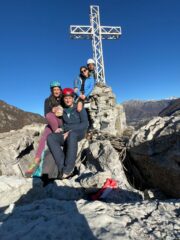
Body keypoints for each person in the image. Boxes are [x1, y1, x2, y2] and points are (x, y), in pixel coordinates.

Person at [25, 81, 66, 177]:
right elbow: (46, 114)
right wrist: (54, 110)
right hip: (52, 124)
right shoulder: (48, 100)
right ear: (52, 91)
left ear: (60, 89)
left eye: (58, 89)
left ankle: (56, 130)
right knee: (43, 138)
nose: (56, 91)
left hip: (61, 123)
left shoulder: (64, 98)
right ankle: (35, 162)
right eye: (54, 89)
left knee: (51, 117)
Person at [47, 88, 89, 179]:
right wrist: (61, 129)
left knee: (72, 135)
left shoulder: (79, 107)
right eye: (66, 98)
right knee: (51, 137)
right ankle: (62, 168)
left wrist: (69, 130)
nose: (67, 100)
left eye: (70, 98)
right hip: (66, 133)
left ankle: (68, 169)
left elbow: (85, 124)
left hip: (78, 132)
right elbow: (62, 123)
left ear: (73, 98)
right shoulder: (63, 110)